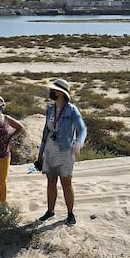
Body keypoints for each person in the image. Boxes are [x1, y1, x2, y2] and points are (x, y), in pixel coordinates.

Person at [37, 79, 87, 225]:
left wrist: (79, 143)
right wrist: (41, 151)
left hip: (65, 149)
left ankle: (70, 214)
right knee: (51, 181)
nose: (51, 92)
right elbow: (46, 130)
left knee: (66, 182)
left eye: (53, 90)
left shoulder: (71, 109)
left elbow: (82, 129)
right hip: (50, 148)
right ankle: (50, 211)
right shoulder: (49, 108)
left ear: (61, 93)